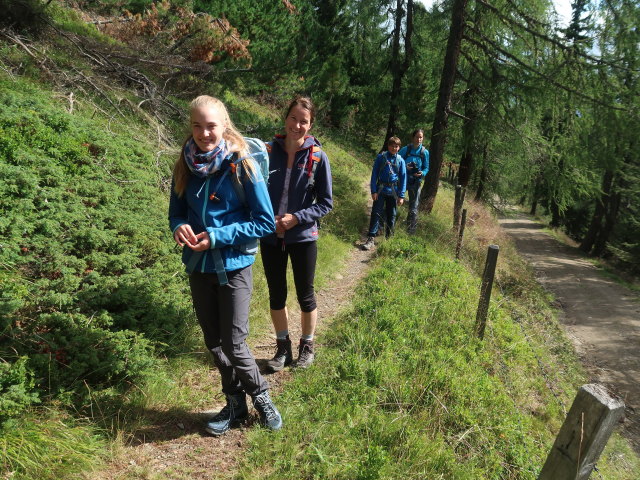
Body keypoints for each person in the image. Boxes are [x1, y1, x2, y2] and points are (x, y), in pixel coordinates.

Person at [168, 95, 282, 436]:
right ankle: (235, 405)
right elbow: (176, 212)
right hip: (199, 267)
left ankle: (262, 397)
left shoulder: (242, 164)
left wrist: (217, 236)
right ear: (191, 126)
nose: (204, 133)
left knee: (234, 342)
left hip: (233, 265)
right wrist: (178, 227)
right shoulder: (185, 163)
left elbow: (265, 222)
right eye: (197, 126)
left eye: (212, 126)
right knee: (214, 342)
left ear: (224, 125)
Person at [260, 96, 333, 372]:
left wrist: (297, 218)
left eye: (304, 121)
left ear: (310, 124)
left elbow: (325, 202)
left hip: (303, 237)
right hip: (270, 236)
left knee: (306, 295)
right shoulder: (267, 151)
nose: (297, 125)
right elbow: (254, 190)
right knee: (276, 294)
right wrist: (269, 219)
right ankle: (282, 348)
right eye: (293, 118)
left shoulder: (318, 157)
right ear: (285, 118)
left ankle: (307, 346)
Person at [362, 136, 407, 250]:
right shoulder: (381, 158)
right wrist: (373, 190)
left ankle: (389, 240)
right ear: (388, 146)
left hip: (393, 192)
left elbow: (403, 178)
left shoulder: (400, 160)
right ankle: (371, 238)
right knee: (376, 213)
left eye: (396, 146)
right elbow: (374, 175)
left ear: (399, 147)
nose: (394, 148)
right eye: (392, 145)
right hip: (381, 190)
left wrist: (401, 196)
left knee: (391, 215)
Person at [398, 129, 429, 233]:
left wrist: (422, 173)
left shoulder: (425, 152)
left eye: (421, 137)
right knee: (394, 201)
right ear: (413, 137)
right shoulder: (405, 149)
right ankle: (387, 224)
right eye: (417, 137)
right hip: (403, 179)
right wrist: (404, 166)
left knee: (414, 207)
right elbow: (396, 161)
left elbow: (426, 168)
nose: (419, 139)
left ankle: (410, 231)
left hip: (416, 181)